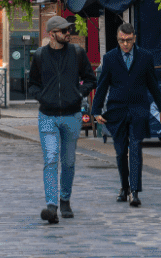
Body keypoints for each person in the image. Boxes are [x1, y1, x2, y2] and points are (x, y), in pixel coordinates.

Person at [27, 16, 97, 224]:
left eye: (69, 30)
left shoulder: (77, 53)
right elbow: (32, 84)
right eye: (64, 30)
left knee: (68, 161)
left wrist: (77, 93)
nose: (69, 33)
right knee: (50, 158)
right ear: (52, 34)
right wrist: (42, 97)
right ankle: (52, 205)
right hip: (47, 116)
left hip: (72, 115)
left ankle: (65, 199)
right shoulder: (40, 55)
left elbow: (91, 79)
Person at [92, 22, 161, 207]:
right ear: (117, 39)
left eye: (128, 40)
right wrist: (96, 110)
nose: (125, 44)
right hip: (116, 110)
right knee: (120, 152)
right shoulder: (109, 58)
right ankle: (124, 187)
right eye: (121, 40)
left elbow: (153, 85)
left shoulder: (145, 57)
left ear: (134, 38)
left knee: (135, 148)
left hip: (138, 109)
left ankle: (135, 191)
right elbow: (102, 86)